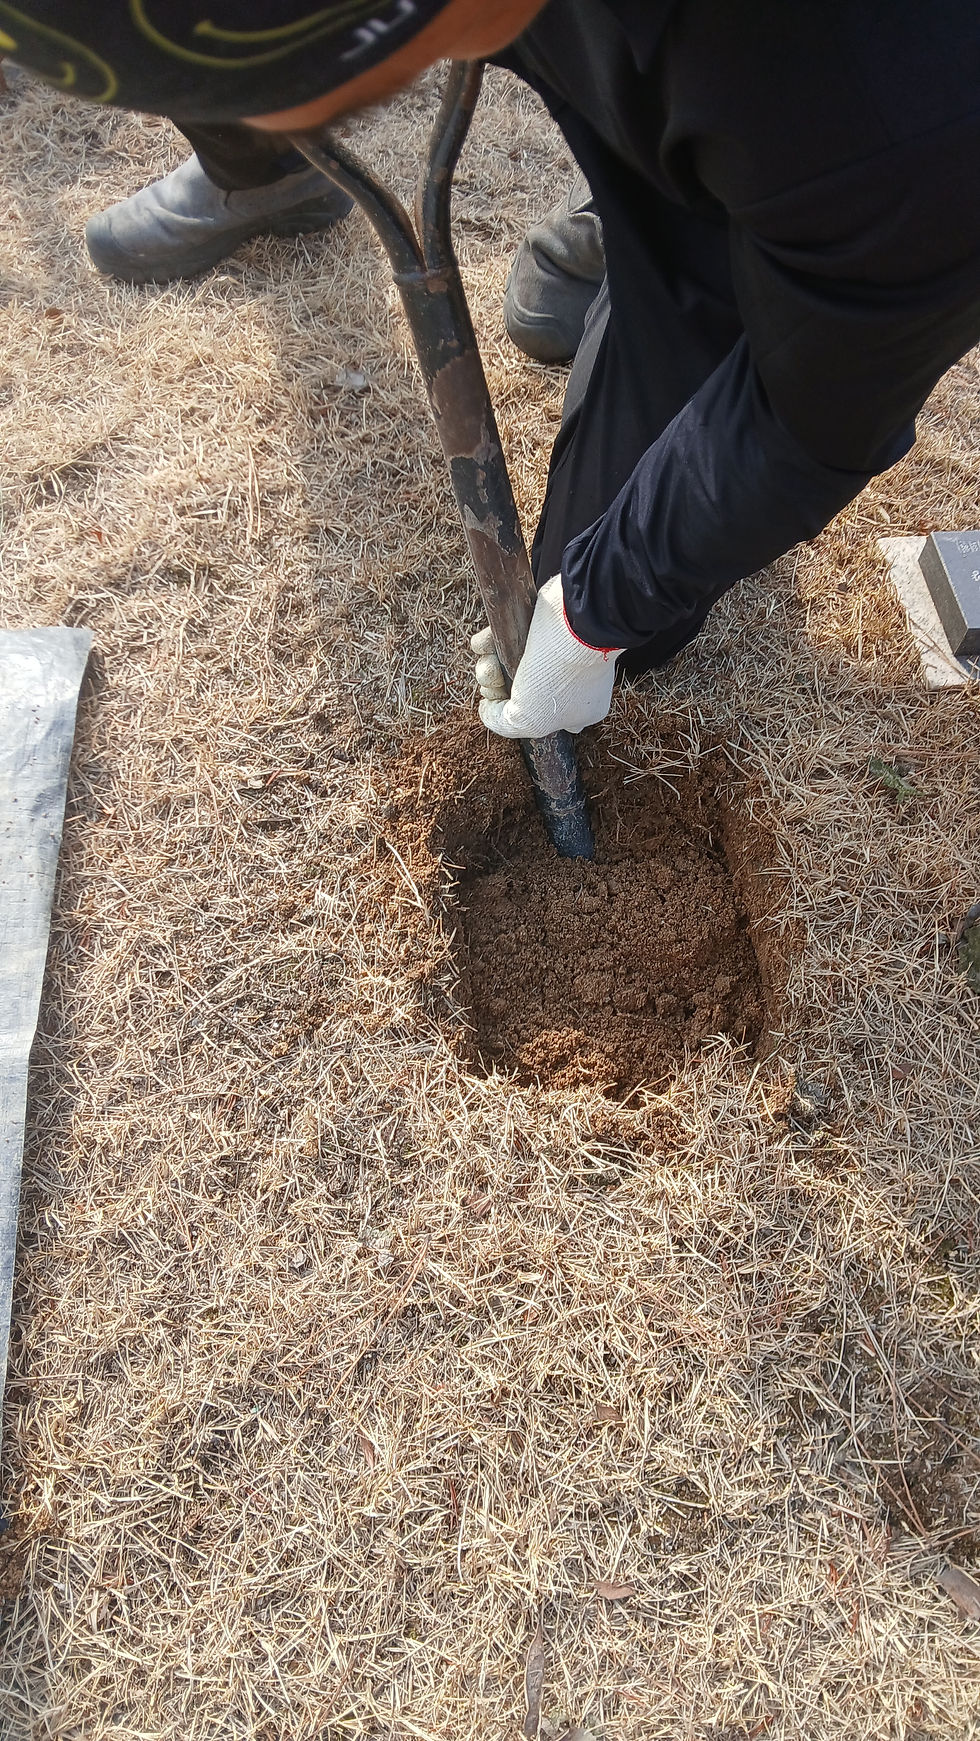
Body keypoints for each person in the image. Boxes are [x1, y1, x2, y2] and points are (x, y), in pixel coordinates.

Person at [7, 1, 980, 742]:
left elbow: (808, 421)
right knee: (556, 307)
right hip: (716, 90)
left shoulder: (910, 119)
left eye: (317, 102)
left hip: (838, 144)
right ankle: (262, 180)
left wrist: (598, 602)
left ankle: (743, 222)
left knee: (631, 621)